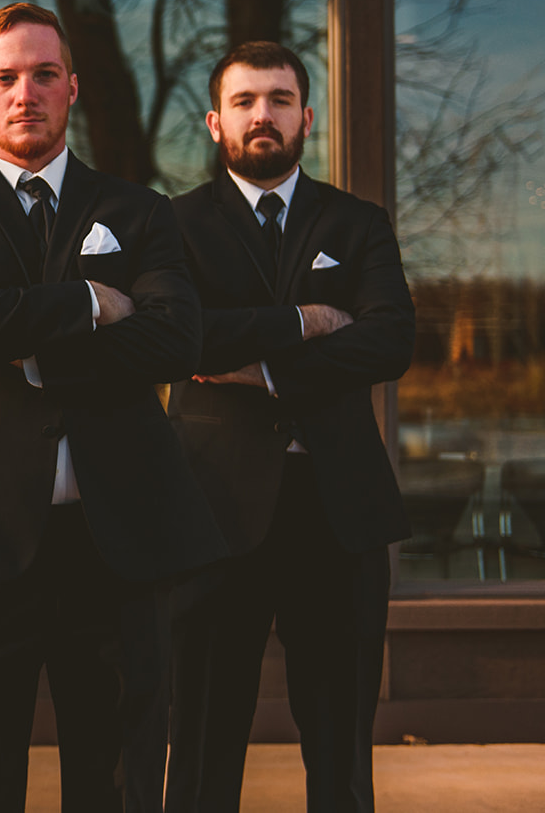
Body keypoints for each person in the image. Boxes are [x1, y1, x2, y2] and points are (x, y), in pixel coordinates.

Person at [0, 3, 226, 812]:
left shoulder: (139, 211)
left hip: (119, 533)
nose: (27, 93)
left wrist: (15, 332)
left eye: (45, 75)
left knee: (121, 771)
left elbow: (176, 343)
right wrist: (91, 301)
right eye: (6, 78)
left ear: (74, 88)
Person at [164, 42, 414, 813]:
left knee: (341, 746)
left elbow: (390, 339)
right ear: (215, 122)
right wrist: (304, 323)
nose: (261, 115)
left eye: (278, 99)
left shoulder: (358, 222)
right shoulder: (173, 226)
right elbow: (182, 338)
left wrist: (264, 369)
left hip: (337, 511)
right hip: (215, 511)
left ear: (307, 117)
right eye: (244, 101)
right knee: (203, 736)